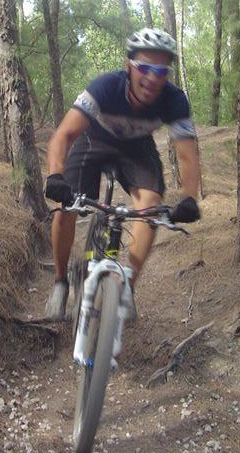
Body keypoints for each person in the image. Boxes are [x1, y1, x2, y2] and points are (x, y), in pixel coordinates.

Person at [44, 27, 201, 320]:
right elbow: (63, 135)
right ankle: (60, 281)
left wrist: (189, 197)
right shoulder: (105, 87)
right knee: (65, 208)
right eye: (144, 68)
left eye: (161, 71)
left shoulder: (175, 100)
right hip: (94, 139)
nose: (153, 78)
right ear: (129, 66)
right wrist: (55, 176)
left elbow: (188, 155)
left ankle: (127, 288)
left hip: (137, 148)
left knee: (151, 208)